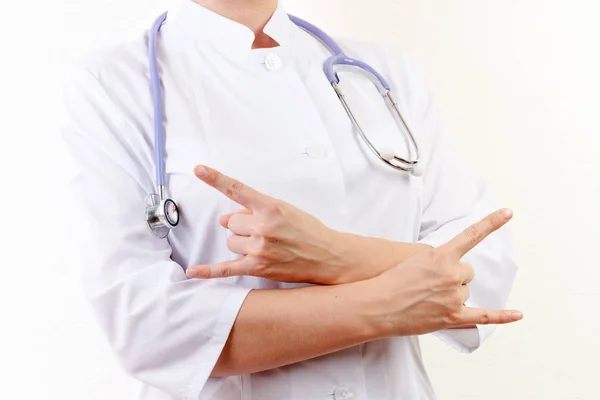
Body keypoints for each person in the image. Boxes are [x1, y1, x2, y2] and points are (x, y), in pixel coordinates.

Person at [60, 0, 522, 399]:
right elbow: (149, 330)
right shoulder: (112, 84)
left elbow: (481, 262)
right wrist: (387, 304)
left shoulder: (381, 72)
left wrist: (336, 256)